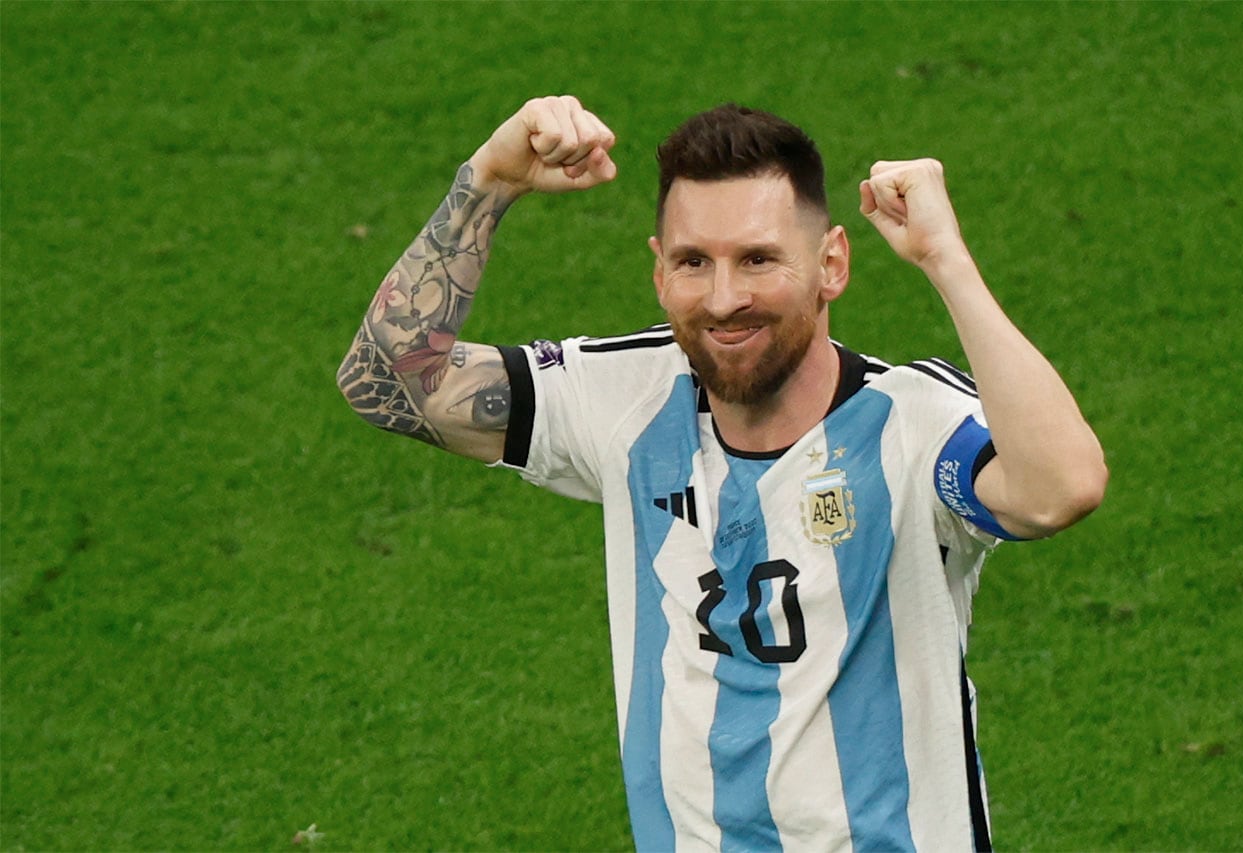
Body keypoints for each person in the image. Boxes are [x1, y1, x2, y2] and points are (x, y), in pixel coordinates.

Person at [337, 95, 1107, 851]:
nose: (725, 298)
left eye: (759, 259)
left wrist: (947, 261)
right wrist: (491, 179)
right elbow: (383, 378)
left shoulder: (909, 422)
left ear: (831, 263)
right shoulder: (628, 398)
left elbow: (1061, 488)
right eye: (694, 262)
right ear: (659, 272)